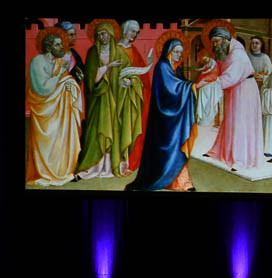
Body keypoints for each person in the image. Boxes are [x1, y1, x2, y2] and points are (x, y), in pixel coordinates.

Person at [125, 37, 197, 191]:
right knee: (168, 151)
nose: (179, 55)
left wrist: (189, 87)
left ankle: (183, 183)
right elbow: (171, 89)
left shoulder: (176, 69)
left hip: (175, 119)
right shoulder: (162, 67)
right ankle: (173, 181)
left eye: (180, 53)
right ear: (169, 52)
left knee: (177, 149)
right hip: (163, 119)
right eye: (176, 52)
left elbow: (181, 86)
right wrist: (190, 87)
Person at [199, 27, 264, 171]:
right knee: (230, 120)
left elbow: (230, 76)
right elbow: (219, 69)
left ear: (225, 39)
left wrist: (212, 84)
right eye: (213, 42)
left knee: (240, 123)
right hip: (234, 90)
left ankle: (240, 159)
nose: (215, 45)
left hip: (245, 90)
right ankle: (220, 151)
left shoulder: (237, 53)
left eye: (216, 41)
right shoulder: (225, 50)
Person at [25, 29, 84, 186]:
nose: (62, 47)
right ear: (48, 47)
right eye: (57, 45)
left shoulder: (59, 63)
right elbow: (42, 90)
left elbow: (67, 82)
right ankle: (45, 174)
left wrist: (71, 87)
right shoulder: (37, 62)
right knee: (46, 144)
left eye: (61, 44)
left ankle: (63, 171)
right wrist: (60, 77)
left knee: (62, 140)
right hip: (43, 111)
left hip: (60, 111)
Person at [76, 21, 129, 179]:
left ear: (111, 34)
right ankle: (94, 166)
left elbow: (128, 73)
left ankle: (110, 166)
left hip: (115, 99)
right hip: (98, 100)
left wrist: (127, 82)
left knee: (113, 129)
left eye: (104, 33)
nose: (102, 37)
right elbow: (90, 78)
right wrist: (107, 67)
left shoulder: (119, 52)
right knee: (96, 131)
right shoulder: (93, 52)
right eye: (99, 34)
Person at [117, 20, 154, 174]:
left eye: (137, 32)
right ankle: (117, 162)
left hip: (132, 98)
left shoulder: (134, 50)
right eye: (133, 31)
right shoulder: (115, 49)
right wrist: (120, 82)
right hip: (117, 98)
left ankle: (129, 161)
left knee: (131, 128)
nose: (135, 34)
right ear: (124, 30)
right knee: (119, 128)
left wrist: (133, 81)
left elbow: (143, 77)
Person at [195, 55, 222, 126]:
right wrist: (199, 70)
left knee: (203, 79)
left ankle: (210, 121)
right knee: (202, 79)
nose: (205, 60)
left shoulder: (213, 62)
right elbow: (204, 68)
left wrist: (204, 72)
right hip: (208, 76)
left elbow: (211, 69)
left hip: (213, 75)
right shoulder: (207, 63)